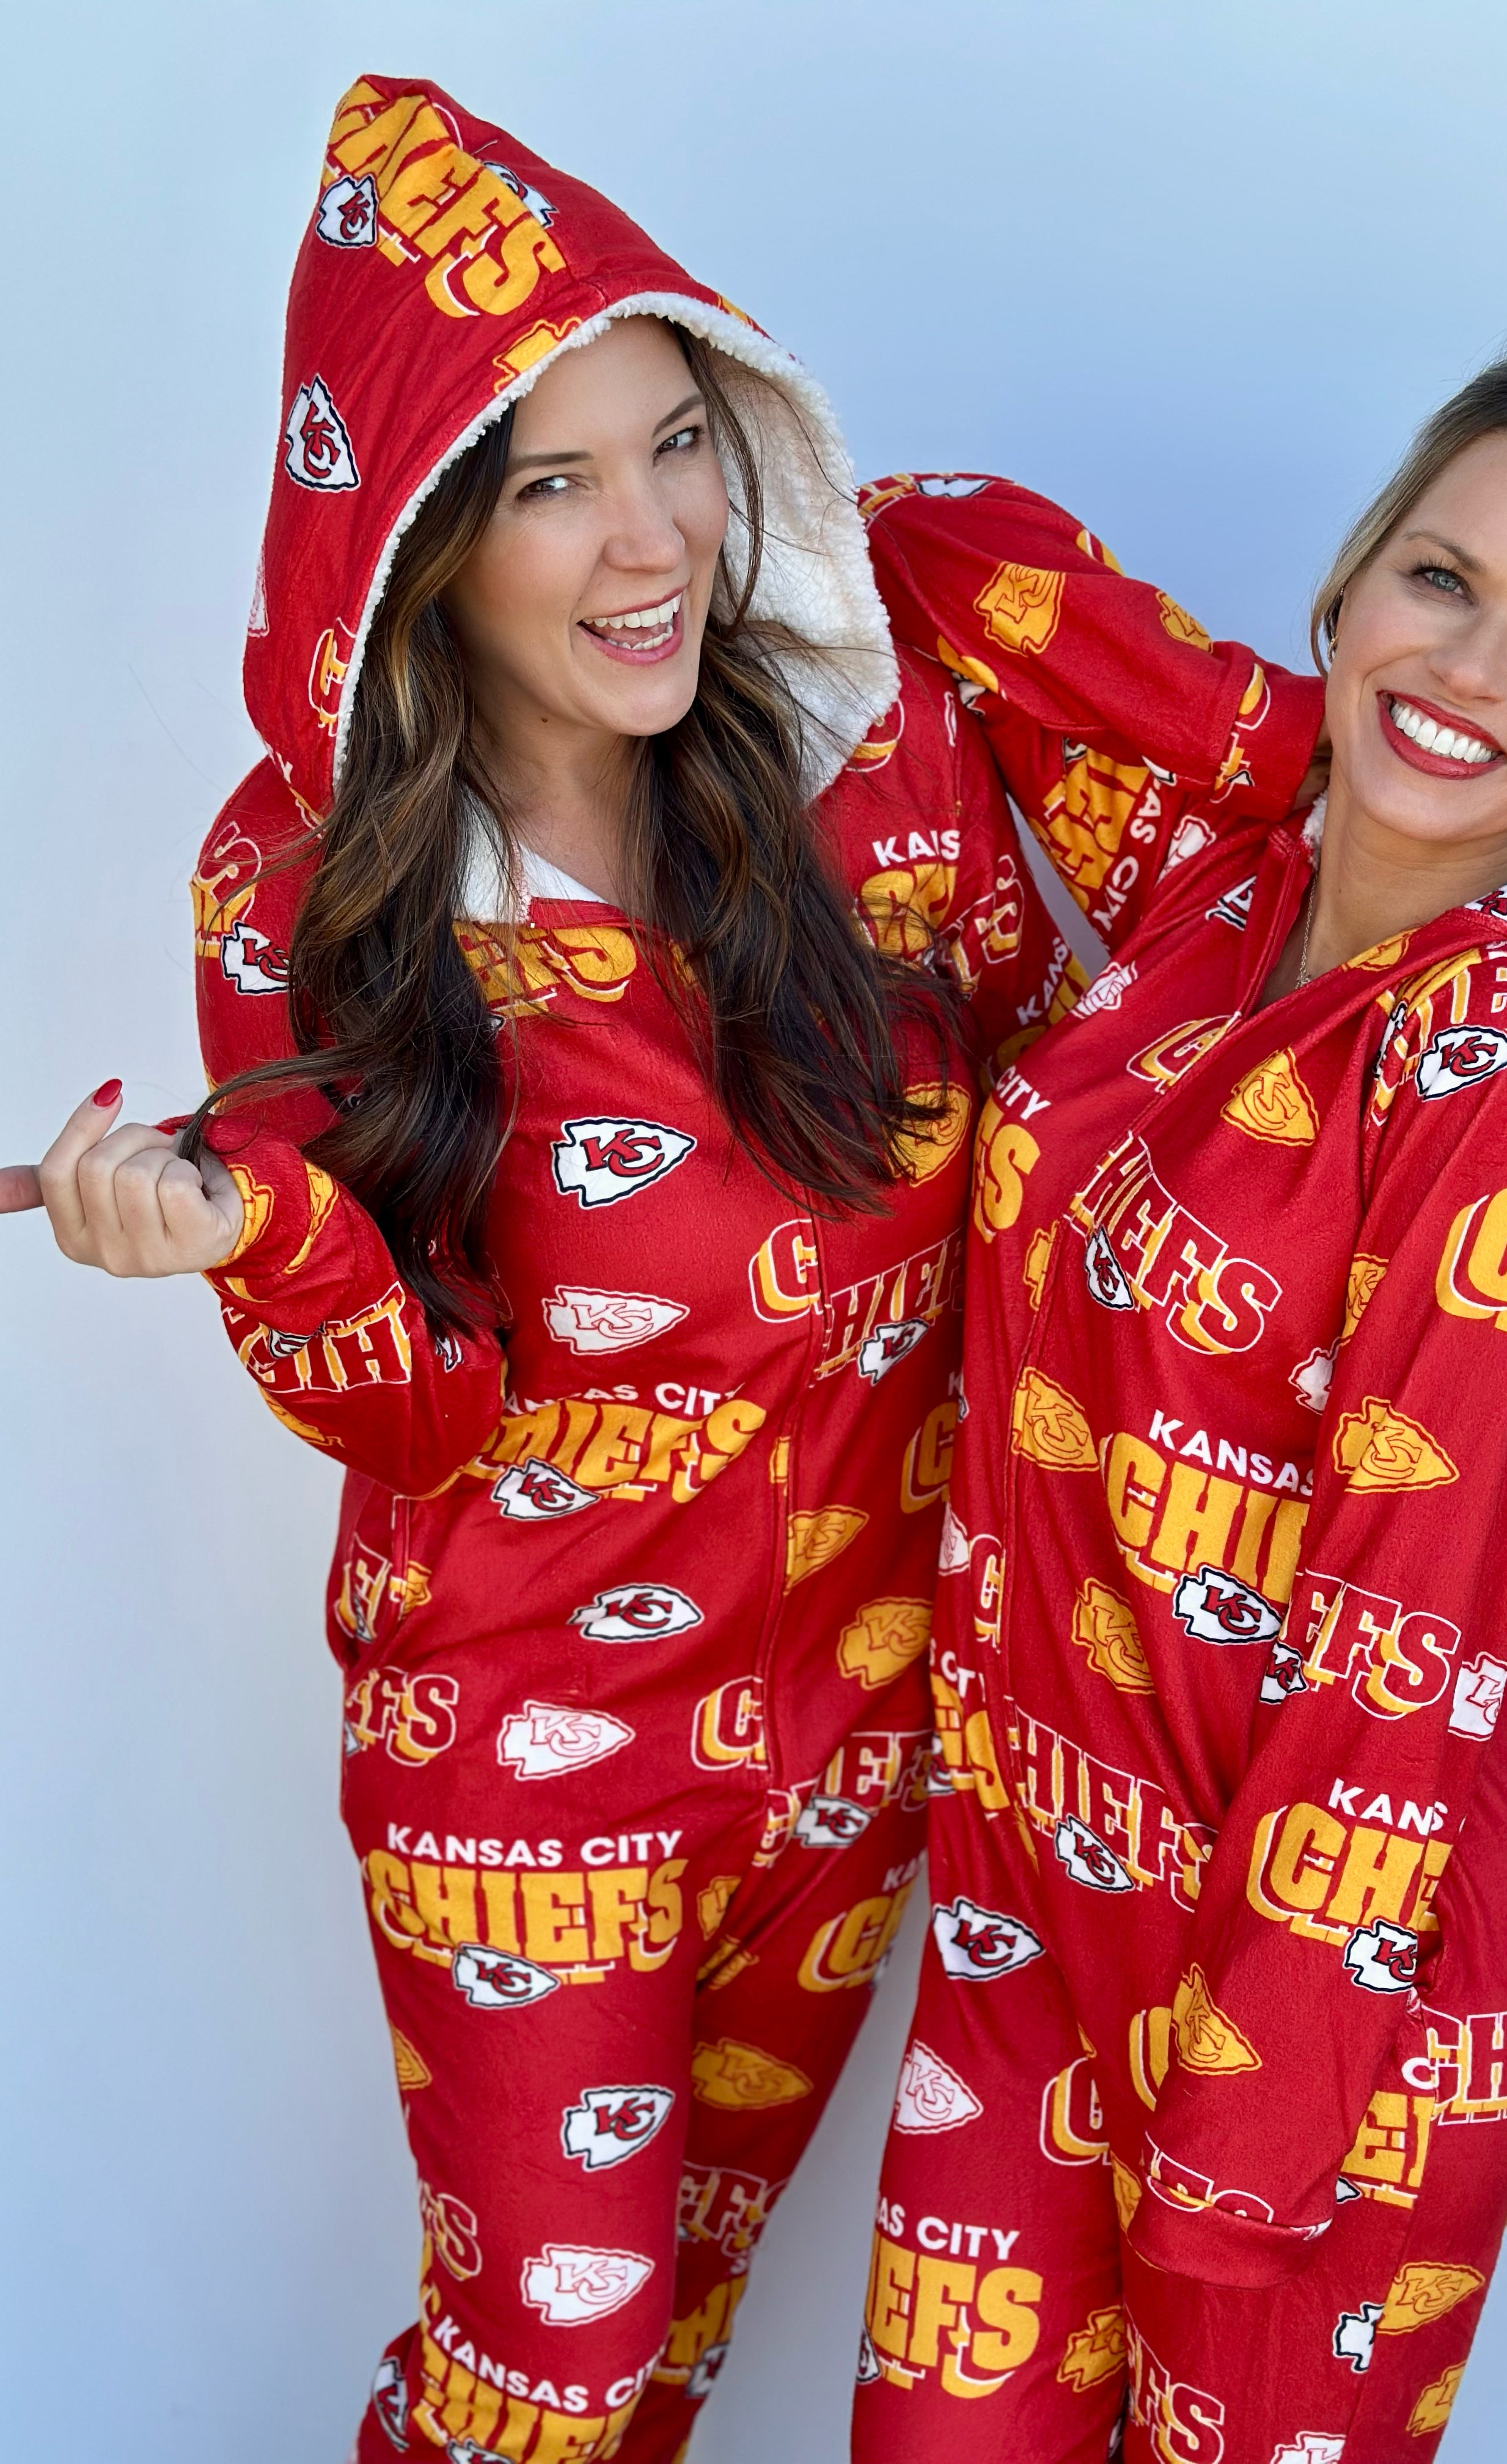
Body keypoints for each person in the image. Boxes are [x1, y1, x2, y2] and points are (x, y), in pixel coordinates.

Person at [6, 77, 1321, 2464]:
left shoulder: (885, 728)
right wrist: (257, 1237)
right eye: (552, 483)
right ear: (422, 543)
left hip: (866, 1744)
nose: (652, 543)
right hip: (528, 1770)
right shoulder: (308, 887)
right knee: (543, 2391)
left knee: (666, 2359)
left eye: (681, 445)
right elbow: (417, 1409)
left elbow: (1258, 887)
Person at [846, 345, 1507, 2462]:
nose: (1467, 664)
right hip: (1031, 1904)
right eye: (1436, 580)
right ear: (1350, 576)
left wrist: (1246, 2153)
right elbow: (912, 548)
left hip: (1334, 2022)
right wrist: (1302, 733)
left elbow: (1409, 1628)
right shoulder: (1223, 880)